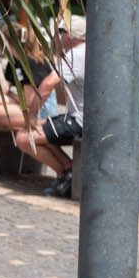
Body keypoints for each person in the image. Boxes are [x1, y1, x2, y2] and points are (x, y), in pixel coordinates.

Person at [30, 13, 86, 198]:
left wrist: (30, 116)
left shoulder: (74, 55)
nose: (59, 37)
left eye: (61, 32)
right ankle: (69, 170)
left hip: (79, 122)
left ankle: (67, 173)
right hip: (84, 119)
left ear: (71, 34)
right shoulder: (89, 51)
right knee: (42, 128)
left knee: (25, 135)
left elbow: (47, 84)